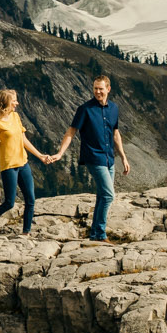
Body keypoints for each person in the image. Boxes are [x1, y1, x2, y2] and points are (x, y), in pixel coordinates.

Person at [55, 74, 129, 241]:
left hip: (109, 158)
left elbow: (115, 134)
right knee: (109, 195)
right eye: (95, 88)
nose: (97, 92)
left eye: (101, 89)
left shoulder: (114, 109)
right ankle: (100, 234)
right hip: (94, 158)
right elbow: (71, 132)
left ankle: (95, 234)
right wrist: (60, 153)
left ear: (108, 89)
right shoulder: (85, 109)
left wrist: (123, 157)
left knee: (103, 196)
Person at [0, 88, 58, 235]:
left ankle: (26, 233)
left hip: (23, 163)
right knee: (9, 203)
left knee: (30, 200)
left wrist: (40, 155)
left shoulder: (15, 116)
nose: (17, 103)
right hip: (8, 166)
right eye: (14, 100)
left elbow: (23, 139)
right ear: (5, 102)